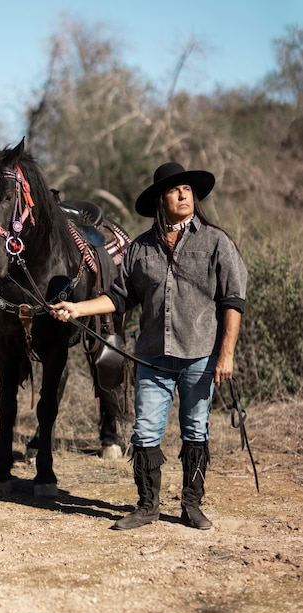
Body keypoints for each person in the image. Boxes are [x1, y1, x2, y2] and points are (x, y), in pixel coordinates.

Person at [51, 162, 247, 531]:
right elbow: (118, 297)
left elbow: (233, 301)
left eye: (187, 188)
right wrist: (77, 308)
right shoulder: (141, 248)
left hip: (200, 356)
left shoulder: (216, 242)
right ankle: (147, 507)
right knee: (145, 433)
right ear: (161, 199)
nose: (183, 194)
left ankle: (191, 506)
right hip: (152, 358)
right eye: (175, 190)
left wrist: (226, 354)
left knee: (195, 430)